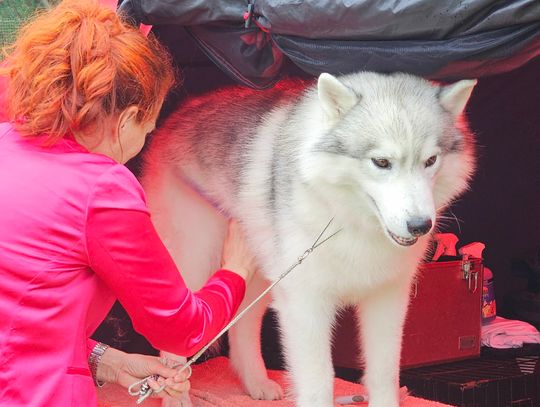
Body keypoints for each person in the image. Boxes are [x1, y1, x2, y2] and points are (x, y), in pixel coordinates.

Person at [0, 1, 256, 406]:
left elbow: (21, 322)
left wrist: (108, 361)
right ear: (127, 119)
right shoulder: (102, 188)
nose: (144, 140)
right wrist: (234, 272)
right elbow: (182, 329)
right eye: (148, 129)